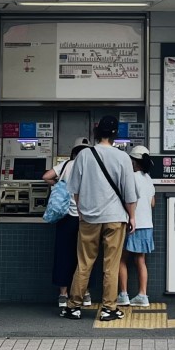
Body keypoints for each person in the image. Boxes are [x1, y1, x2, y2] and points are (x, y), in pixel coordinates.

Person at [63, 116, 143, 321]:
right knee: (111, 264)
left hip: (89, 217)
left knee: (84, 263)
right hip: (115, 218)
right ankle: (109, 308)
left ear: (97, 133)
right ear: (116, 134)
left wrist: (81, 209)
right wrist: (132, 216)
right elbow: (129, 193)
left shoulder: (84, 155)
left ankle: (73, 306)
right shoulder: (123, 158)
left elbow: (74, 188)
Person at [44, 137, 92, 312]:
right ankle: (84, 293)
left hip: (65, 217)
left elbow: (46, 176)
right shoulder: (89, 167)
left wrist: (59, 185)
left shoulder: (65, 165)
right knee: (84, 257)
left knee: (63, 255)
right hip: (84, 218)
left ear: (73, 151)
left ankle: (63, 295)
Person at [116, 144, 157, 307]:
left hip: (132, 224)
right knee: (140, 260)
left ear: (133, 161)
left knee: (121, 259)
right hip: (147, 224)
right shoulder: (148, 179)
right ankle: (142, 295)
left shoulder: (131, 177)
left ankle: (123, 295)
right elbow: (152, 203)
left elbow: (127, 199)